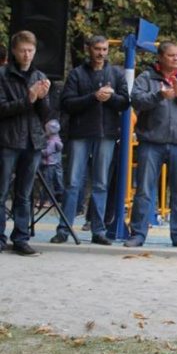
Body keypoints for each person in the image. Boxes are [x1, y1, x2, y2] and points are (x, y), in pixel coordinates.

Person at [125, 41, 177, 248]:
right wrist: (158, 95)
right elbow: (136, 101)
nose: (175, 59)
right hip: (151, 143)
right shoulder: (146, 77)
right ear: (160, 58)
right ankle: (138, 234)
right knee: (143, 190)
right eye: (171, 55)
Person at [50, 36, 130, 245]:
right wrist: (93, 97)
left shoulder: (116, 73)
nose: (101, 53)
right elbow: (66, 103)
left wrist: (110, 98)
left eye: (104, 49)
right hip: (81, 133)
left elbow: (125, 102)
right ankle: (64, 229)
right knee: (73, 183)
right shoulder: (77, 74)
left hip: (107, 134)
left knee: (101, 184)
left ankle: (98, 230)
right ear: (89, 49)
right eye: (97, 49)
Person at [0, 30, 52, 256]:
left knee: (25, 193)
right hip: (9, 140)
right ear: (14, 51)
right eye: (22, 50)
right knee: (1, 192)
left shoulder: (39, 75)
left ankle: (21, 238)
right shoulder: (2, 75)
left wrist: (42, 99)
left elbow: (46, 114)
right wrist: (28, 99)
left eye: (30, 50)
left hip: (33, 141)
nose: (27, 55)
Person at [39, 119, 64, 209]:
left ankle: (48, 199)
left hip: (49, 163)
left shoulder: (52, 141)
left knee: (46, 183)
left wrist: (39, 151)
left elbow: (47, 152)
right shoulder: (51, 139)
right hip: (48, 163)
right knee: (45, 182)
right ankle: (43, 199)